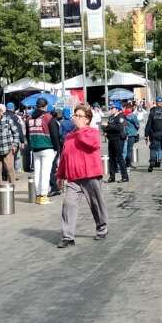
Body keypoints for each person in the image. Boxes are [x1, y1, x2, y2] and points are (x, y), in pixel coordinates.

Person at [56, 104, 109, 248]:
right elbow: (64, 156)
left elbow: (91, 145)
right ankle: (68, 236)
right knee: (68, 204)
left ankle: (102, 228)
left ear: (87, 119)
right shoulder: (69, 136)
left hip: (90, 175)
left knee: (96, 204)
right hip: (73, 178)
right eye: (75, 115)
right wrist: (60, 175)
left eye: (80, 116)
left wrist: (80, 131)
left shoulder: (92, 132)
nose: (76, 118)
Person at [27, 98, 61, 204]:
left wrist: (31, 146)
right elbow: (55, 135)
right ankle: (43, 196)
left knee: (37, 172)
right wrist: (57, 148)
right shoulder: (48, 118)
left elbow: (28, 136)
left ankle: (38, 195)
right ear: (45, 106)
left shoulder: (29, 119)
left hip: (35, 149)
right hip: (47, 148)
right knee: (45, 173)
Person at [145, 97, 162, 171]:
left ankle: (152, 163)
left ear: (156, 103)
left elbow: (148, 124)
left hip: (155, 134)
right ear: (161, 103)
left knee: (153, 149)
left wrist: (146, 135)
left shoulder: (152, 112)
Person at [104, 104, 129, 183]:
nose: (111, 109)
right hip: (111, 139)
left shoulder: (121, 117)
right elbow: (107, 128)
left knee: (119, 158)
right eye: (110, 108)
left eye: (112, 108)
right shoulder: (111, 117)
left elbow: (119, 128)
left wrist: (109, 126)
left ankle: (124, 176)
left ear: (117, 109)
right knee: (111, 159)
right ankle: (112, 177)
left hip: (118, 139)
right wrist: (106, 128)